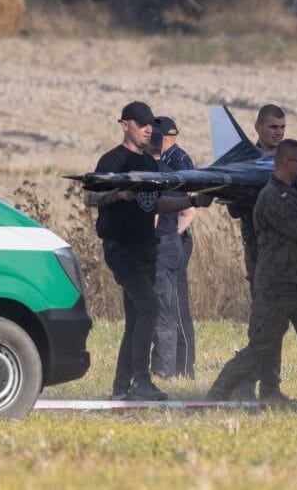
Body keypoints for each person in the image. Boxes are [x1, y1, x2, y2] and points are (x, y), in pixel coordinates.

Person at [85, 101, 211, 401]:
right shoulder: (111, 161)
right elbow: (90, 197)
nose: (147, 129)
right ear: (125, 124)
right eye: (141, 123)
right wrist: (119, 194)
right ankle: (140, 381)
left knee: (136, 319)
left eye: (150, 124)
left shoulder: (152, 166)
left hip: (147, 248)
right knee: (151, 306)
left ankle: (121, 387)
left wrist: (192, 202)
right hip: (121, 248)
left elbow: (157, 204)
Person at [207, 139, 297, 407]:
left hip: (296, 285)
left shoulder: (290, 194)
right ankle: (217, 395)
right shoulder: (272, 197)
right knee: (260, 348)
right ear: (283, 162)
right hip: (275, 286)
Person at [224, 103, 288, 400]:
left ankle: (266, 386)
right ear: (258, 128)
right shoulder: (246, 163)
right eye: (273, 127)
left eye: (282, 128)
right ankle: (249, 384)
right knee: (265, 319)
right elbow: (235, 208)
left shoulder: (291, 161)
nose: (278, 133)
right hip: (259, 250)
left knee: (276, 320)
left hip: (286, 251)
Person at [149, 116, 198, 380]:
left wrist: (170, 235)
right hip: (170, 238)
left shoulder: (179, 162)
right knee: (168, 305)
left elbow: (189, 209)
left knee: (176, 307)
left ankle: (184, 367)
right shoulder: (165, 161)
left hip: (173, 238)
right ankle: (176, 366)